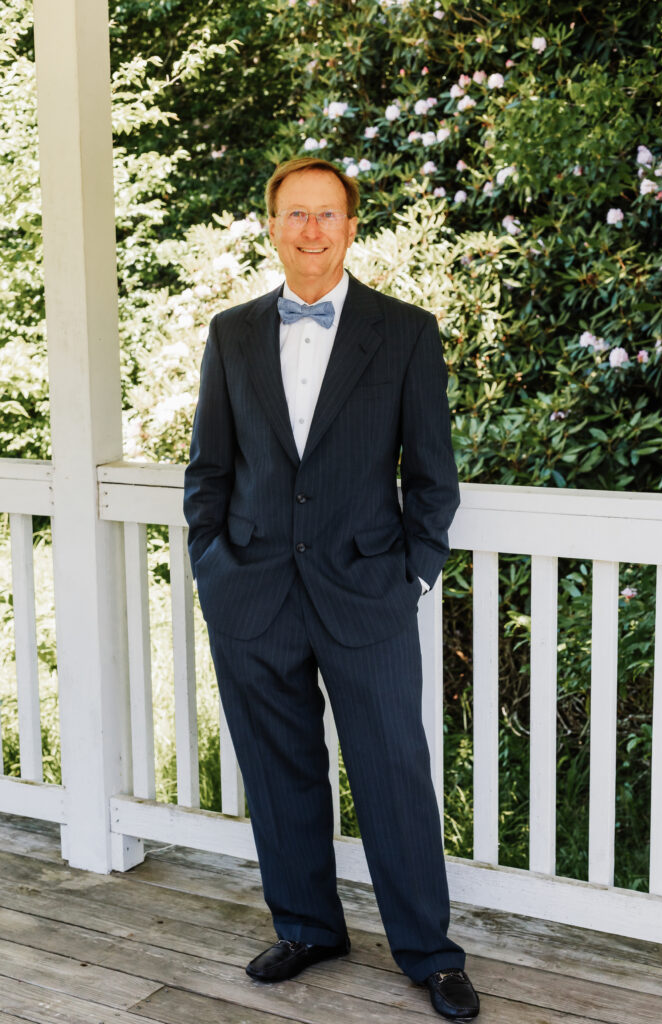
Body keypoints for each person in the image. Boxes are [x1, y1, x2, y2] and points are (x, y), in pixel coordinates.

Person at [183, 156, 479, 1020]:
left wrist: (412, 575)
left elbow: (432, 478)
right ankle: (309, 925)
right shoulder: (231, 333)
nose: (310, 230)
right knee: (279, 772)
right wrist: (213, 566)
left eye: (327, 214)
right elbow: (209, 469)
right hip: (253, 594)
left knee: (392, 771)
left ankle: (429, 952)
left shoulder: (405, 331)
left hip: (368, 595)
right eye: (294, 214)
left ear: (351, 227)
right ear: (271, 225)